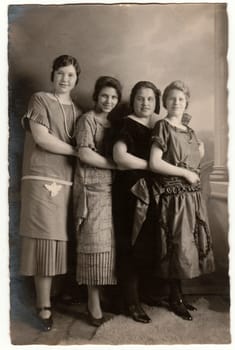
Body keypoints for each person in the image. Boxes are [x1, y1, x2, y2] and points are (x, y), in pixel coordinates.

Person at [19, 54, 82, 331]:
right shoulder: (40, 99)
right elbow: (42, 138)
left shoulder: (79, 112)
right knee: (44, 240)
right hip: (41, 177)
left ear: (76, 79)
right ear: (52, 74)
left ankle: (54, 295)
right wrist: (77, 151)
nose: (64, 78)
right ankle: (43, 307)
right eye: (60, 73)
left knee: (59, 241)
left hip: (68, 181)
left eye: (70, 75)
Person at [148, 80, 215, 321]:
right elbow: (155, 163)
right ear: (165, 102)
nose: (177, 102)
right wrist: (186, 173)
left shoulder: (190, 131)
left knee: (189, 244)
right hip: (173, 197)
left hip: (192, 197)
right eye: (172, 98)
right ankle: (174, 297)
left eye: (181, 99)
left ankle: (179, 295)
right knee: (177, 245)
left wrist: (201, 151)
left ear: (187, 102)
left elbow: (194, 161)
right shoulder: (162, 127)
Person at [73, 76, 122, 326]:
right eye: (104, 96)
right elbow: (84, 152)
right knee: (94, 243)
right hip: (92, 188)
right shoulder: (87, 120)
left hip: (111, 189)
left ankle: (101, 296)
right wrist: (116, 165)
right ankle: (92, 303)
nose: (109, 101)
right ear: (96, 96)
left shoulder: (114, 123)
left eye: (114, 97)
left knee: (109, 246)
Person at [112, 81, 161, 323]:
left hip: (150, 190)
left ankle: (144, 294)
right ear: (133, 100)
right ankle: (129, 301)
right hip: (130, 191)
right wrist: (151, 165)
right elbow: (120, 158)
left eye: (150, 99)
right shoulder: (126, 124)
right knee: (130, 244)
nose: (145, 103)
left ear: (156, 102)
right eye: (140, 98)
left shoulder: (157, 126)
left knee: (146, 243)